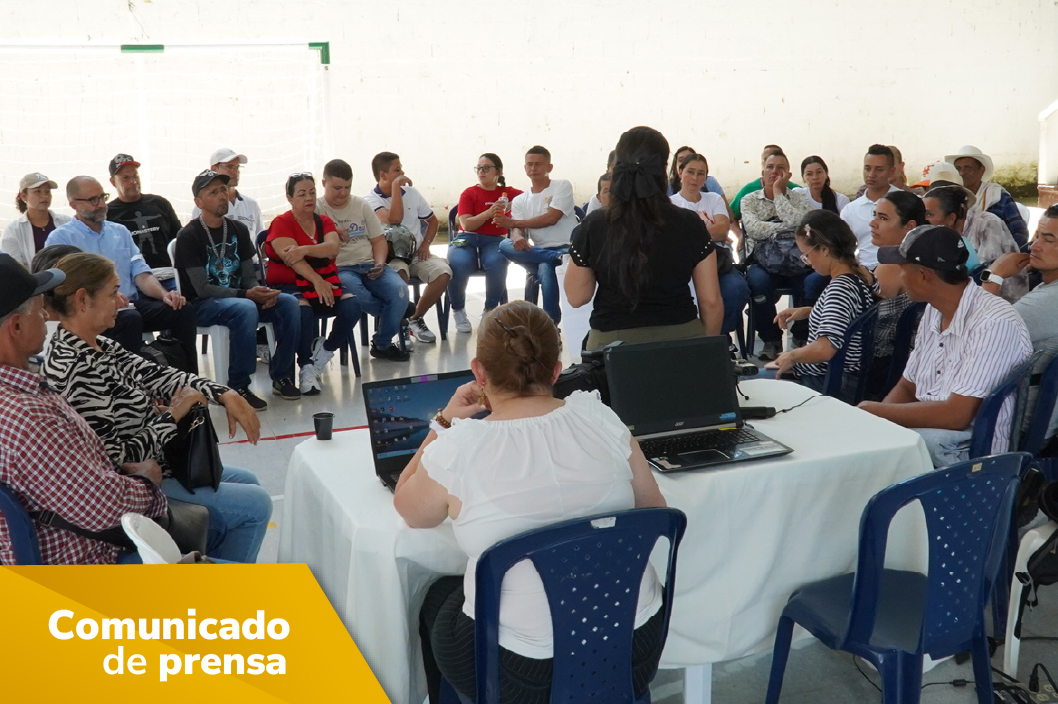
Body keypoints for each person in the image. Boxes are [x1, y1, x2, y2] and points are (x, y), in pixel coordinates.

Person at [393, 301, 668, 704]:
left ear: (479, 372)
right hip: (633, 648)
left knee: (437, 596)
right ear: (556, 370)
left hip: (523, 675)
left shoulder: (458, 449)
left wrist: (445, 422)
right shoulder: (602, 419)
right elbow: (653, 514)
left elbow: (409, 508)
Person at [40, 252, 272, 562]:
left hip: (162, 465)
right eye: (112, 293)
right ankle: (225, 595)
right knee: (257, 504)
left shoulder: (99, 344)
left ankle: (209, 569)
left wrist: (223, 393)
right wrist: (174, 414)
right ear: (83, 300)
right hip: (140, 485)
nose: (121, 300)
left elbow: (160, 376)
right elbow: (117, 462)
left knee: (248, 482)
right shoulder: (76, 370)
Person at [0, 253, 167, 565]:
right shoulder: (26, 416)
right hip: (90, 558)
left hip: (68, 540)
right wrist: (149, 482)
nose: (47, 318)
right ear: (17, 326)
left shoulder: (21, 393)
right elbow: (104, 509)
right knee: (243, 515)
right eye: (39, 312)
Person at [858, 225, 1032, 468]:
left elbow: (957, 415)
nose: (899, 277)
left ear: (922, 275)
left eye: (902, 270)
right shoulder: (934, 309)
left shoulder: (994, 321)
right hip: (937, 435)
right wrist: (878, 425)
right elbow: (908, 386)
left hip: (971, 453)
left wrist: (874, 411)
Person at [564, 126, 723, 349]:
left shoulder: (594, 225)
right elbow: (711, 302)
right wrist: (704, 352)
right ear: (665, 169)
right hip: (682, 340)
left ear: (615, 169)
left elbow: (576, 297)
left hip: (612, 346)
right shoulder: (690, 223)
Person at [173, 169, 302, 407]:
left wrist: (260, 292)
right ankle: (239, 386)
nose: (222, 195)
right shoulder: (188, 236)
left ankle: (282, 376)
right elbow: (202, 288)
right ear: (198, 202)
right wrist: (247, 295)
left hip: (240, 299)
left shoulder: (238, 230)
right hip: (203, 305)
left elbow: (248, 277)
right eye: (213, 192)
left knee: (289, 303)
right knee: (245, 308)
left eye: (224, 189)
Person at [45, 176, 198, 371]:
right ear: (73, 204)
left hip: (131, 303)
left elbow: (141, 273)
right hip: (95, 310)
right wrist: (108, 297)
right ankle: (135, 390)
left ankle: (189, 384)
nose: (101, 204)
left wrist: (164, 295)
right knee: (130, 319)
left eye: (103, 197)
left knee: (181, 310)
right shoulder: (62, 238)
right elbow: (66, 287)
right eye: (93, 200)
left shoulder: (120, 231)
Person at [265, 173, 366, 390]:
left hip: (324, 281)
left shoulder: (324, 221)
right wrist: (317, 280)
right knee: (302, 309)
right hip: (289, 284)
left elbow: (333, 247)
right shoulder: (281, 223)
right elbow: (292, 260)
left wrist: (305, 249)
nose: (309, 198)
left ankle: (324, 352)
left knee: (353, 305)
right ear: (289, 198)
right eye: (301, 194)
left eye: (312, 192)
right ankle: (306, 365)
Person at [765, 211, 876, 395]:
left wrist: (792, 355)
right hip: (849, 377)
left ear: (824, 249)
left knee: (747, 380)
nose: (807, 263)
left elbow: (825, 348)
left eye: (806, 255)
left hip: (827, 382)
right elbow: (848, 313)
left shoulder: (839, 289)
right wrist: (811, 310)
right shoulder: (860, 274)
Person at [316, 159, 410, 362]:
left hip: (370, 264)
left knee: (400, 291)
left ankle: (382, 343)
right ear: (324, 183)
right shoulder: (315, 208)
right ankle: (396, 313)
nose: (343, 193)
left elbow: (379, 241)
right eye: (337, 188)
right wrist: (330, 230)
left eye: (347, 187)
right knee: (359, 297)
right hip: (340, 269)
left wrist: (379, 263)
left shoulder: (361, 204)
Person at [981, 205, 1058, 451]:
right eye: (1036, 236)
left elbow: (982, 333)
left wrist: (994, 274)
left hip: (1012, 424)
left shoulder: (1050, 300)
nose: (1034, 246)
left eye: (1048, 239)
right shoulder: (1048, 289)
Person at [364, 152, 451, 343]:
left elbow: (432, 221)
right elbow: (394, 219)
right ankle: (400, 326)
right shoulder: (370, 200)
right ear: (383, 175)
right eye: (397, 170)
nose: (403, 173)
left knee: (443, 273)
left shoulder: (412, 193)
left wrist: (426, 244)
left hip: (416, 253)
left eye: (401, 168)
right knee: (398, 280)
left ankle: (415, 318)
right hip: (391, 257)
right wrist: (396, 187)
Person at [741, 150, 815, 360]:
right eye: (770, 168)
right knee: (757, 283)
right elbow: (753, 229)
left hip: (795, 259)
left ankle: (802, 337)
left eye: (780, 168)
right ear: (762, 172)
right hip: (763, 261)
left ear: (788, 175)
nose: (774, 172)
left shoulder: (799, 196)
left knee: (810, 282)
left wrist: (778, 194)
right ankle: (771, 339)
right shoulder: (750, 200)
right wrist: (786, 228)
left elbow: (803, 225)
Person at [495, 146, 578, 324]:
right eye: (530, 164)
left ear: (549, 167)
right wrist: (517, 237)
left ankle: (551, 325)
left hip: (567, 247)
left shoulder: (562, 185)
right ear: (525, 168)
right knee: (504, 245)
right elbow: (517, 229)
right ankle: (556, 258)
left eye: (539, 164)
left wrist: (514, 224)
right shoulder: (519, 200)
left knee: (545, 269)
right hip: (543, 251)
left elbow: (552, 218)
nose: (533, 169)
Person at [669, 153, 749, 337]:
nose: (695, 178)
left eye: (701, 173)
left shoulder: (714, 198)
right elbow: (676, 238)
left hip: (718, 263)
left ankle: (719, 336)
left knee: (738, 289)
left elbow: (722, 230)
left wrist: (691, 233)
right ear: (680, 172)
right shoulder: (671, 204)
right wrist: (707, 229)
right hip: (686, 266)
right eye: (690, 172)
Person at [451, 153, 523, 333]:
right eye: (478, 168)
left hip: (494, 241)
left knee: (496, 262)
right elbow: (466, 223)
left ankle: (490, 310)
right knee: (459, 264)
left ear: (498, 171)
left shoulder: (509, 192)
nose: (481, 172)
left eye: (486, 168)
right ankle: (458, 309)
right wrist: (490, 212)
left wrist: (512, 206)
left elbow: (530, 199)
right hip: (466, 238)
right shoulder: (469, 193)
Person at [867, 191, 926, 398]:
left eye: (883, 218)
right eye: (874, 215)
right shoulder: (925, 259)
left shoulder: (892, 267)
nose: (873, 223)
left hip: (882, 373)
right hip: (905, 367)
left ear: (910, 226)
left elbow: (862, 326)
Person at [922, 184, 1027, 302]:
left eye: (929, 214)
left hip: (1001, 300)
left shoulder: (987, 224)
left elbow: (987, 273)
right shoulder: (938, 232)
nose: (923, 219)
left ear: (951, 218)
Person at [105, 153, 183, 271]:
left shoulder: (159, 203)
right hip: (133, 278)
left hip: (169, 272)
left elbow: (179, 239)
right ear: (113, 182)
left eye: (135, 176)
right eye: (125, 178)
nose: (133, 181)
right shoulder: (107, 213)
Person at [946, 145, 1029, 246]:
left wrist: (1009, 254)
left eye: (968, 168)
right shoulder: (952, 197)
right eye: (958, 169)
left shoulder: (998, 197)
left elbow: (1019, 232)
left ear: (982, 170)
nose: (962, 173)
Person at [841, 145, 901, 269]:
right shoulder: (850, 209)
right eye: (867, 168)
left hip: (897, 269)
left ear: (892, 171)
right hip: (862, 270)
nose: (871, 175)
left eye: (879, 169)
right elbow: (842, 247)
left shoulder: (904, 202)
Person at [1, 173, 72, 268]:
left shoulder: (66, 222)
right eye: (37, 191)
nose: (44, 196)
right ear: (23, 196)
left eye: (47, 192)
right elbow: (15, 269)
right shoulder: (13, 230)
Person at [191, 148, 264, 240]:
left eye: (237, 167)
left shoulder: (252, 205)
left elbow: (260, 240)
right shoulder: (203, 207)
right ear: (214, 169)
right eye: (229, 167)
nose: (235, 172)